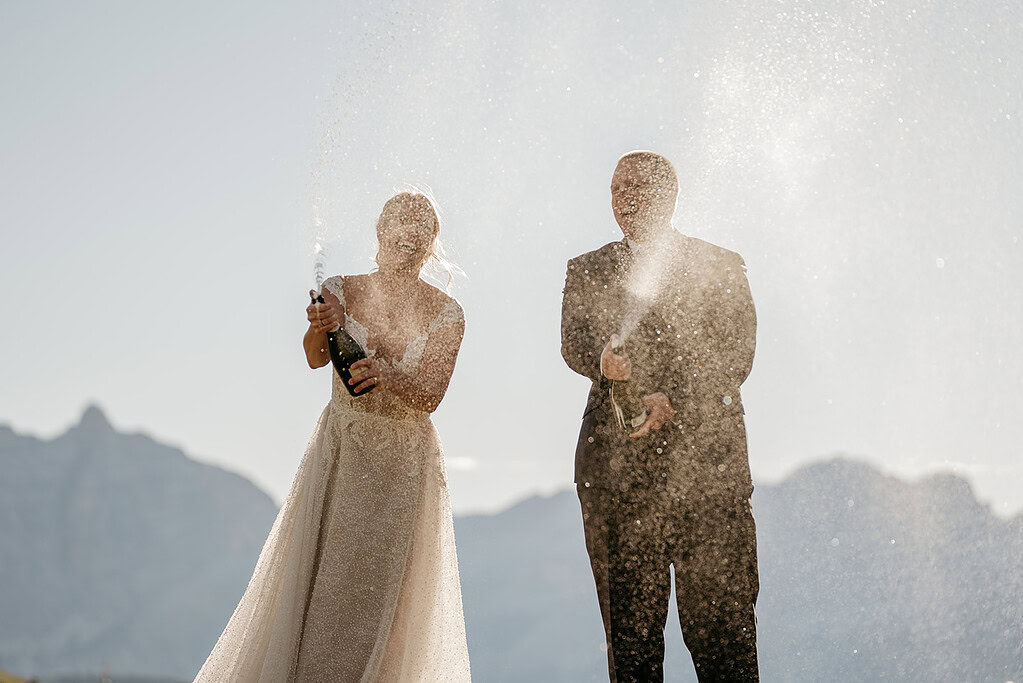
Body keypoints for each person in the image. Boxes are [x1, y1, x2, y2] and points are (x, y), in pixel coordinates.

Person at [194, 192, 471, 682]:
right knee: (326, 582)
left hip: (404, 467)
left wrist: (386, 374)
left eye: (418, 233)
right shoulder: (340, 288)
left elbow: (430, 395)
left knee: (388, 591)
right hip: (343, 452)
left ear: (430, 246)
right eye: (398, 228)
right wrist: (317, 327)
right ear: (381, 234)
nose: (406, 238)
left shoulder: (448, 312)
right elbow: (317, 357)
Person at [561, 151, 760, 682]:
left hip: (708, 481)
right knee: (632, 655)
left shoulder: (721, 264)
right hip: (617, 488)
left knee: (726, 646)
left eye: (637, 187)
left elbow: (736, 352)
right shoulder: (586, 268)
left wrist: (668, 396)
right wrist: (605, 367)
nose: (623, 199)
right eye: (616, 188)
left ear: (670, 196)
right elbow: (575, 344)